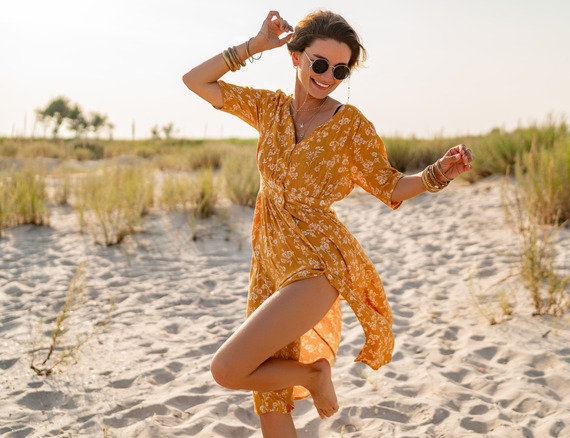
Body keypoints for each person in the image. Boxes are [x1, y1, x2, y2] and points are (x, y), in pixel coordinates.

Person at [183, 9, 473, 437]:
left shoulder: (350, 127)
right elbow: (195, 81)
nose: (328, 75)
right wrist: (255, 45)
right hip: (271, 259)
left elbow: (389, 187)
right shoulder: (268, 109)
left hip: (318, 263)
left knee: (227, 369)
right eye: (319, 63)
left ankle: (314, 375)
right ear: (296, 57)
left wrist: (437, 173)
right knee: (269, 400)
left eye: (340, 69)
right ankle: (308, 375)